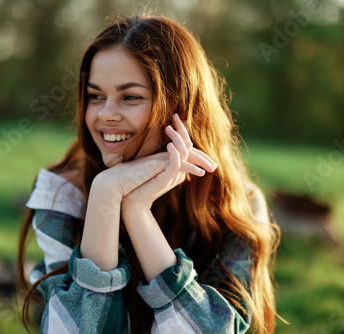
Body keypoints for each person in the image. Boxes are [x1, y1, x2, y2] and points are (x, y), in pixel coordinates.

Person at [17, 13, 280, 334]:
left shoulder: (236, 204)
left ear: (180, 107)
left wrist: (136, 210)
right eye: (95, 96)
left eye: (130, 97)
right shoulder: (62, 191)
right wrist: (105, 194)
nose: (105, 115)